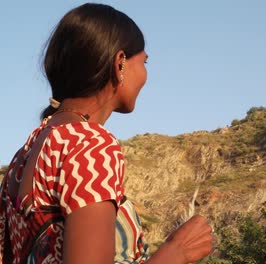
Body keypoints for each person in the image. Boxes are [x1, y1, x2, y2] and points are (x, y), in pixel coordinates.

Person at [0, 3, 213, 263]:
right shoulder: (89, 145)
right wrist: (175, 251)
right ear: (120, 63)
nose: (146, 74)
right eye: (144, 62)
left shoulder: (25, 155)